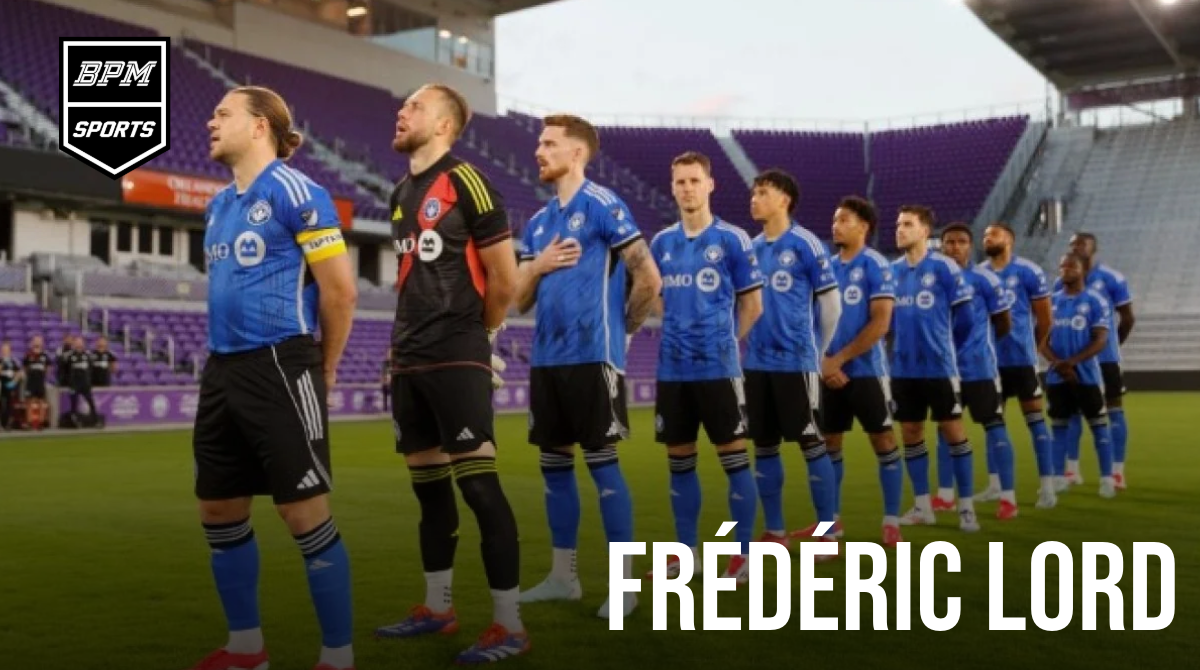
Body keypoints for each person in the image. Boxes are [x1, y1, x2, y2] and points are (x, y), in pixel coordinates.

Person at [190, 85, 359, 670]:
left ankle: (338, 656)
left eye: (224, 113)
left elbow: (340, 292)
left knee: (303, 512)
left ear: (260, 125)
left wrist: (325, 367)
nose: (211, 122)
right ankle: (247, 649)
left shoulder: (297, 191)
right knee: (218, 509)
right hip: (222, 370)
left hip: (280, 363)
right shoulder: (217, 207)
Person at [372, 84, 529, 664]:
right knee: (430, 493)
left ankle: (509, 625)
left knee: (480, 487)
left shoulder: (467, 181)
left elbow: (504, 279)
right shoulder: (399, 192)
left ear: (443, 124)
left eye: (414, 106)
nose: (402, 111)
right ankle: (438, 608)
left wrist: (481, 340)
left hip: (458, 352)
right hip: (409, 358)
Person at [515, 114, 661, 618]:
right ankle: (564, 578)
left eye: (549, 143)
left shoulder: (602, 204)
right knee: (554, 468)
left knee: (603, 466)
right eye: (539, 142)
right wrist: (538, 265)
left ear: (576, 153)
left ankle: (625, 588)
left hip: (593, 356)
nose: (539, 151)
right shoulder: (538, 223)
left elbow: (649, 279)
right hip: (547, 360)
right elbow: (517, 299)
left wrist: (623, 333)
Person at [648, 151, 763, 583]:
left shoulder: (733, 239)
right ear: (672, 187)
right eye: (680, 182)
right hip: (673, 372)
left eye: (695, 180)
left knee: (734, 459)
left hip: (718, 370)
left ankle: (743, 555)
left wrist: (726, 341)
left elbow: (753, 304)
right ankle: (687, 555)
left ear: (710, 184)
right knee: (679, 462)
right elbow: (657, 300)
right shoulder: (662, 243)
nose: (687, 188)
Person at [742, 169, 840, 550]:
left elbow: (831, 305)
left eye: (762, 193)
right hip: (756, 365)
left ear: (784, 199)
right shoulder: (749, 248)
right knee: (764, 446)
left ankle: (827, 531)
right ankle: (776, 531)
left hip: (796, 363)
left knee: (811, 443)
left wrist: (818, 351)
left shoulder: (805, 244)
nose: (754, 199)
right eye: (754, 193)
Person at [889, 206, 979, 533]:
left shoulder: (944, 268)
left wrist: (945, 345)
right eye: (898, 224)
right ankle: (922, 505)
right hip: (903, 370)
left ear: (925, 231)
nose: (900, 230)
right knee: (911, 432)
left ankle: (966, 507)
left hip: (940, 367)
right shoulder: (891, 271)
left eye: (907, 224)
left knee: (953, 431)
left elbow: (965, 319)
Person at [819, 196, 904, 546]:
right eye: (834, 219)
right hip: (827, 371)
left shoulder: (875, 265)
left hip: (867, 372)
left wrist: (838, 359)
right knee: (828, 444)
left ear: (863, 227)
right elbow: (811, 320)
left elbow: (880, 323)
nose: (836, 225)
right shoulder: (825, 268)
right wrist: (823, 361)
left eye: (844, 220)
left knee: (883, 440)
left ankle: (891, 520)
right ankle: (830, 525)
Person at [936, 224, 1018, 520]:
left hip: (979, 368)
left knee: (994, 426)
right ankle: (945, 496)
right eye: (949, 242)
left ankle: (1008, 498)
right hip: (945, 370)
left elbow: (1003, 322)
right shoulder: (934, 279)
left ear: (970, 247)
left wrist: (981, 346)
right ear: (942, 246)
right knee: (945, 430)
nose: (955, 247)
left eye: (961, 242)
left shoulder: (984, 279)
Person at [980, 223, 1057, 508]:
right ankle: (994, 485)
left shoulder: (1028, 271)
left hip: (1021, 361)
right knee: (992, 424)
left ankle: (1047, 487)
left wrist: (1032, 350)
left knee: (1035, 421)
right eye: (985, 235)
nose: (987, 238)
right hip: (989, 363)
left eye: (994, 234)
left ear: (1009, 239)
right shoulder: (979, 273)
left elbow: (1045, 319)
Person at [1060, 232, 1135, 489]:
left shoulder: (1111, 278)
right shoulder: (1062, 280)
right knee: (1072, 412)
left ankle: (1117, 471)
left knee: (1114, 409)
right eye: (1072, 244)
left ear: (1094, 248)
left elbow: (1127, 318)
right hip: (1074, 360)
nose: (1076, 247)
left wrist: (1112, 345)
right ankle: (1071, 470)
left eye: (1082, 244)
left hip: (1105, 358)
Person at [1042, 253, 1116, 499]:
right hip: (1057, 377)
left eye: (1071, 266)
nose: (1065, 269)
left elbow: (1100, 340)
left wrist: (1071, 363)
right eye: (1062, 266)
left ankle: (1107, 479)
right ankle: (1058, 478)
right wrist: (1059, 365)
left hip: (1087, 376)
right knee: (1059, 427)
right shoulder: (1051, 302)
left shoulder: (1095, 300)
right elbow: (1040, 339)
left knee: (1098, 427)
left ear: (1083, 270)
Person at [63, 335, 97, 424]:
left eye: (80, 343)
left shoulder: (88, 355)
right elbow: (65, 369)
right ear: (74, 344)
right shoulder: (69, 356)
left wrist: (89, 380)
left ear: (83, 344)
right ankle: (74, 420)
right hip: (74, 384)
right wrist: (68, 381)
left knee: (90, 401)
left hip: (85, 384)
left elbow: (91, 369)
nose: (79, 345)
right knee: (74, 403)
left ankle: (95, 419)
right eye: (77, 343)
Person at [21, 335, 51, 428]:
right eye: (36, 341)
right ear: (33, 342)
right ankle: (29, 422)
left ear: (42, 343)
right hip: (31, 382)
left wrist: (44, 375)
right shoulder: (28, 355)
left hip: (40, 382)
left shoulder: (45, 355)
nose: (37, 343)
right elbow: (24, 367)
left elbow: (48, 367)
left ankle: (41, 422)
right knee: (29, 401)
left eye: (39, 341)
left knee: (41, 401)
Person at [0, 340, 20, 430]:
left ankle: (7, 424)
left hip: (10, 386)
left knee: (9, 405)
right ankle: (1, 424)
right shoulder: (1, 361)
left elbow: (18, 373)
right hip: (1, 385)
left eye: (6, 350)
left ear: (10, 351)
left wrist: (14, 382)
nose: (5, 351)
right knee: (2, 405)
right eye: (3, 350)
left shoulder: (13, 361)